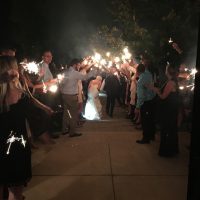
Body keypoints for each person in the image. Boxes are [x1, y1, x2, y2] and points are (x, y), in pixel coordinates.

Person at [0, 56, 32, 200]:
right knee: (15, 188)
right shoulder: (19, 92)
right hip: (17, 146)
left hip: (7, 144)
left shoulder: (19, 89)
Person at [60, 58, 97, 137]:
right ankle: (72, 132)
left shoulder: (66, 72)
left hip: (64, 95)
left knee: (66, 113)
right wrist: (93, 71)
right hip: (71, 96)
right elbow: (85, 77)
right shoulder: (74, 73)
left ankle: (64, 130)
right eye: (78, 65)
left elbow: (61, 83)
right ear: (74, 65)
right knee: (73, 114)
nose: (79, 66)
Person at [149, 64, 180, 157]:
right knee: (171, 129)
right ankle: (172, 149)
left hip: (169, 110)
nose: (165, 70)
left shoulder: (171, 82)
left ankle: (167, 151)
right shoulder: (172, 81)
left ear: (168, 71)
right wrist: (154, 88)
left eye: (166, 69)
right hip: (171, 109)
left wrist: (155, 90)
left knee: (167, 129)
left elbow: (163, 96)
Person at [135, 63, 156, 144]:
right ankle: (152, 136)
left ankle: (145, 138)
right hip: (152, 100)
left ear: (138, 71)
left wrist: (137, 107)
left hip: (146, 102)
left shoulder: (140, 81)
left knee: (145, 121)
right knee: (151, 120)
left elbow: (141, 96)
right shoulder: (149, 74)